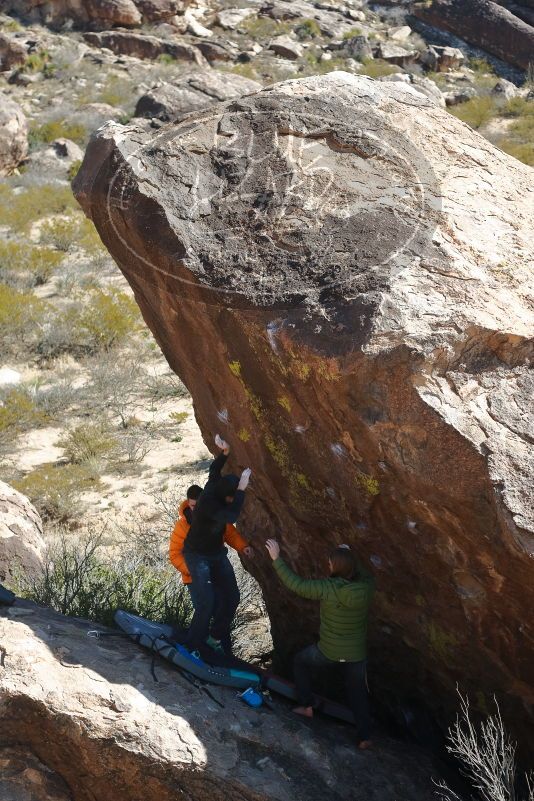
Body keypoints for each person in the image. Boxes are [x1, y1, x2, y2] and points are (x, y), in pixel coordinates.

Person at [265, 538, 373, 749]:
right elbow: (366, 574)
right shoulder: (366, 588)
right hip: (355, 654)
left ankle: (306, 706)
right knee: (357, 693)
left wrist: (277, 559)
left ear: (334, 567)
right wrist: (349, 557)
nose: (329, 566)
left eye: (331, 564)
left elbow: (296, 584)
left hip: (328, 651)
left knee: (301, 662)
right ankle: (365, 737)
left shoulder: (326, 588)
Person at [183, 435, 252, 654]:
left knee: (232, 596)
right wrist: (242, 488)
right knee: (207, 603)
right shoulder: (211, 505)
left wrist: (225, 452)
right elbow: (231, 516)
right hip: (196, 555)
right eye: (233, 497)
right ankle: (192, 647)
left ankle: (214, 639)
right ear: (227, 497)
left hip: (216, 553)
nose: (235, 500)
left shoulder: (214, 485)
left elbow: (214, 470)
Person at [169, 483, 251, 612]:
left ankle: (219, 632)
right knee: (206, 609)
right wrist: (194, 570)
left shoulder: (216, 515)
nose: (197, 509)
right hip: (195, 577)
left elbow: (230, 534)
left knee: (230, 601)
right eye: (193, 506)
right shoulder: (182, 526)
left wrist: (243, 546)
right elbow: (175, 554)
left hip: (216, 569)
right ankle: (203, 633)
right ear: (189, 504)